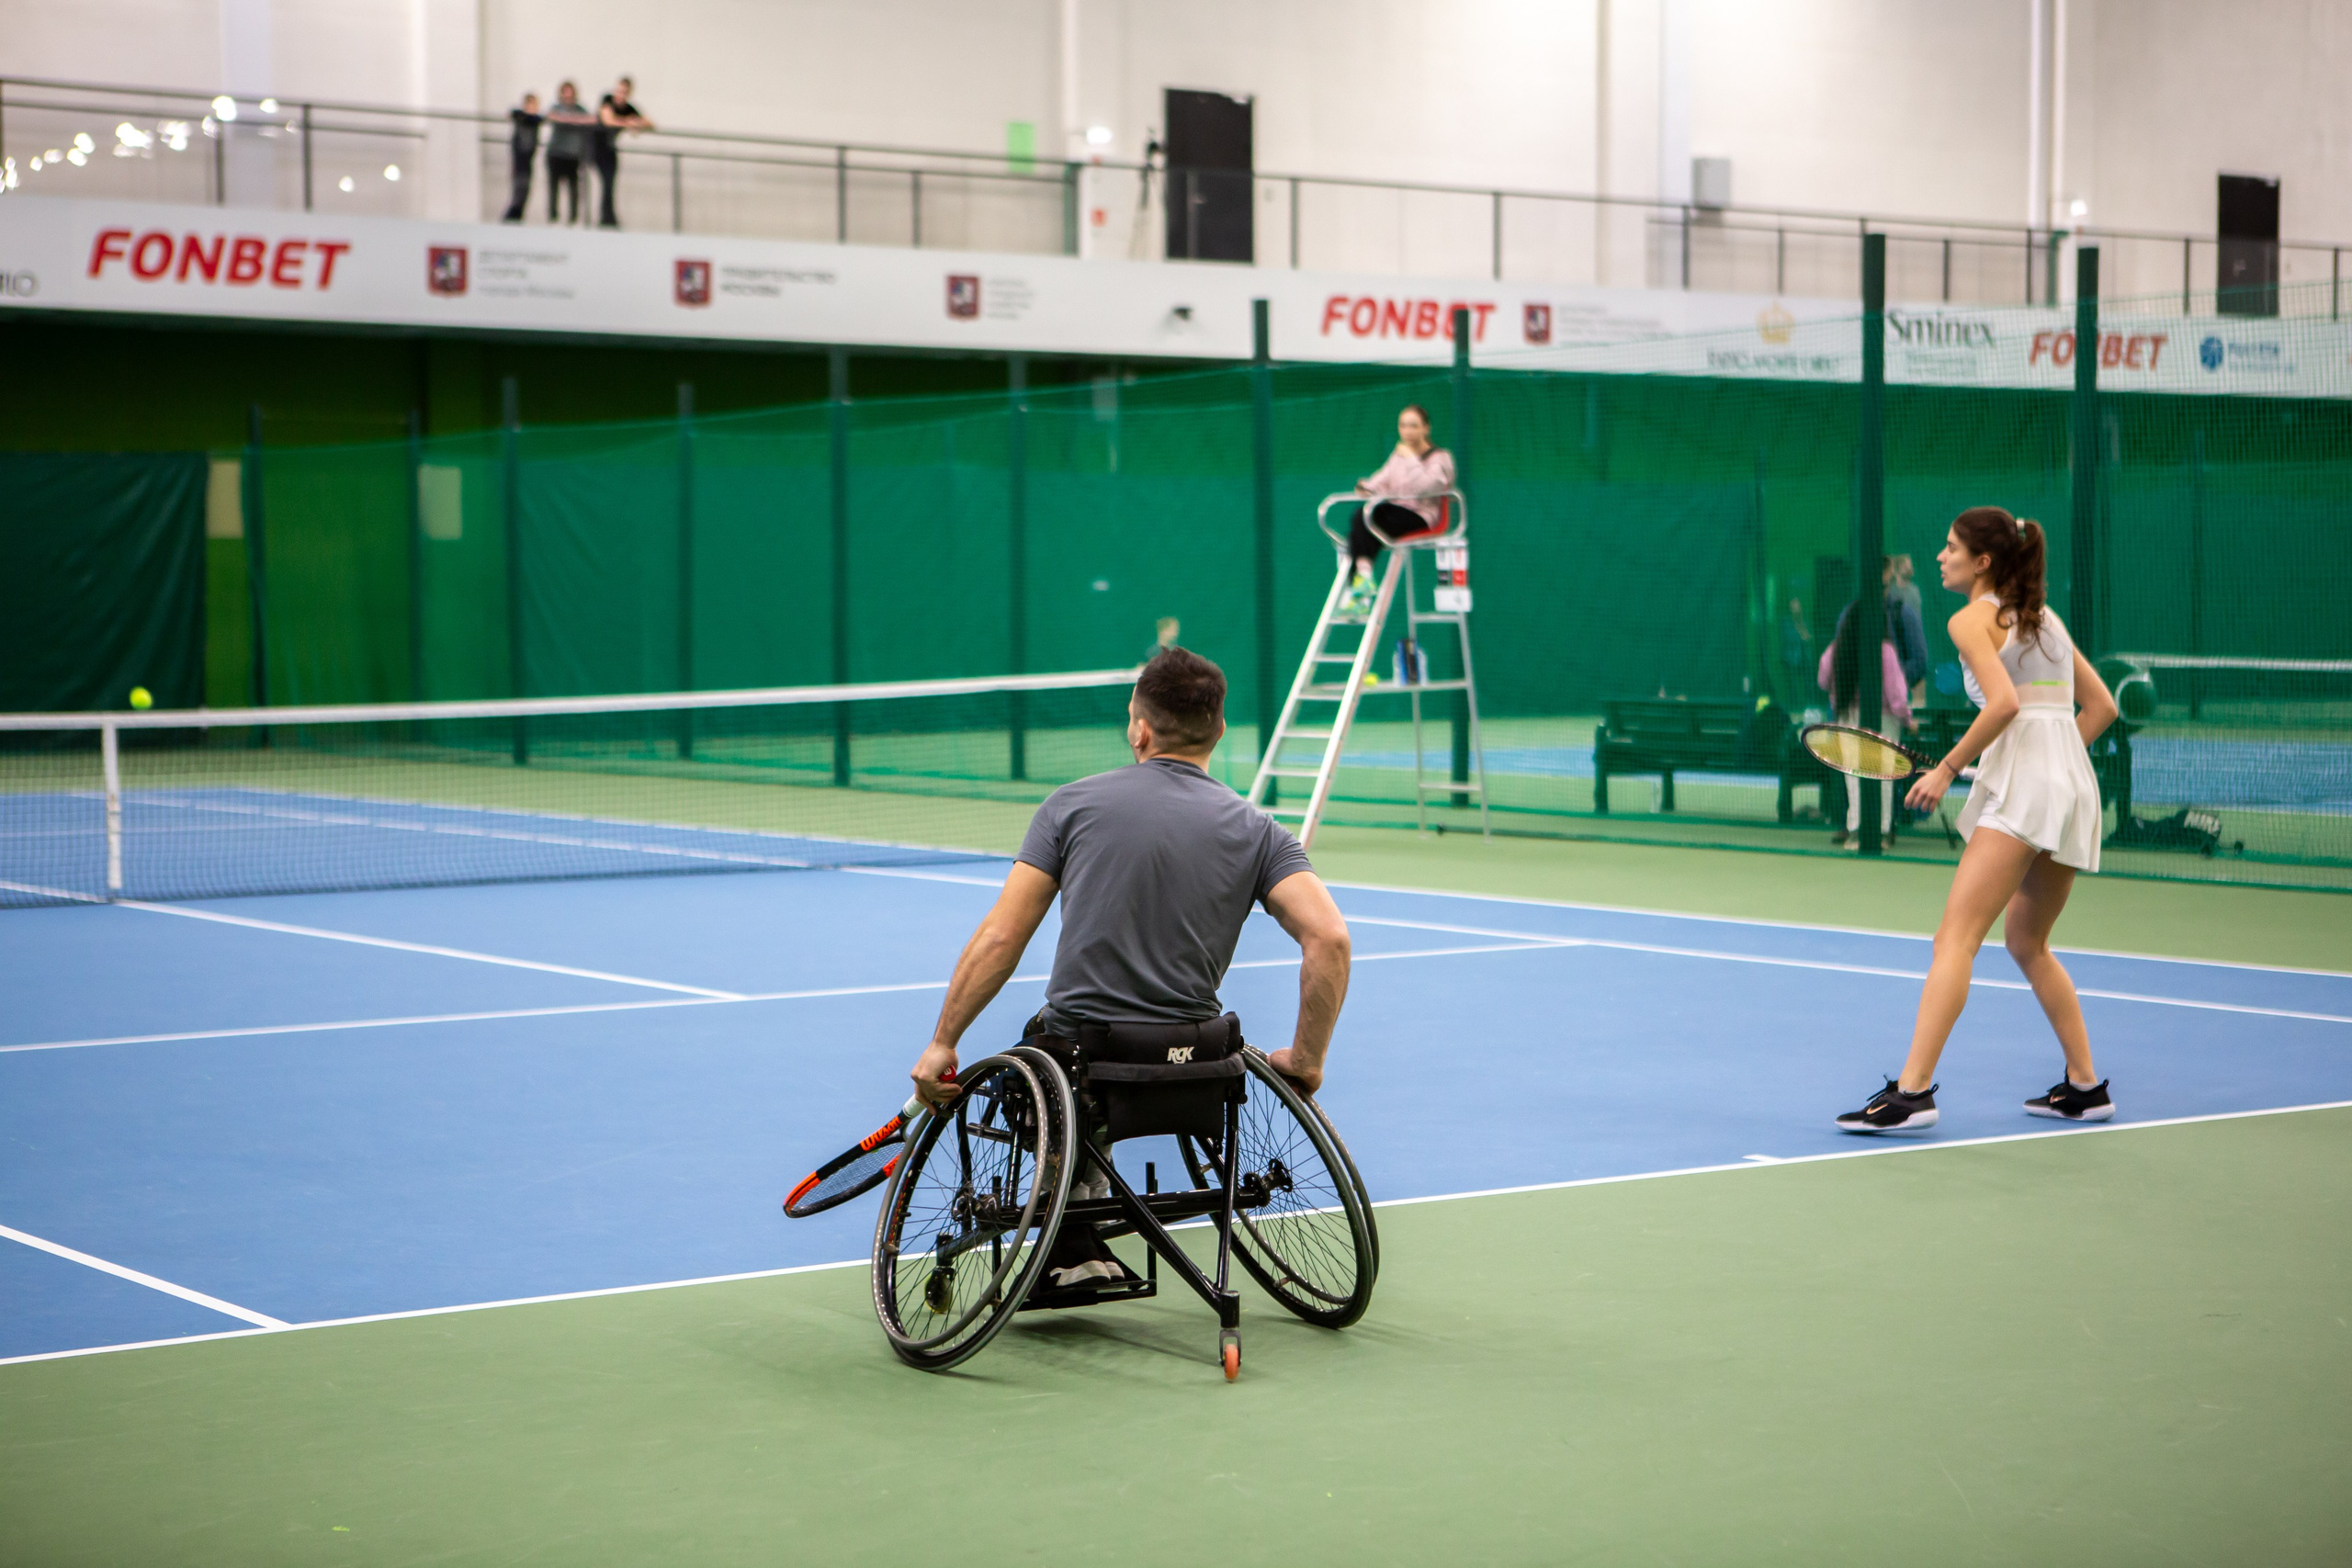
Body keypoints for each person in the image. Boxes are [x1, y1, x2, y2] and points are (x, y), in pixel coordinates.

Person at [909, 647, 1352, 1287]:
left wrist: (942, 1042)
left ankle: (1072, 1233)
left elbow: (1001, 936)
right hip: (1199, 1067)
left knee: (1040, 1053)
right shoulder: (1262, 831)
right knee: (1082, 1058)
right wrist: (1307, 1061)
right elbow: (1330, 939)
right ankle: (1084, 1211)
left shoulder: (1070, 806)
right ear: (1219, 730)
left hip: (1085, 1060)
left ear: (1139, 728)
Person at [1836, 507, 2120, 1134]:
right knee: (2027, 942)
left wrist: (1947, 769)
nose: (1939, 556)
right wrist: (2048, 762)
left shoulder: (1970, 619)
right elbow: (2100, 707)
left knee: (1954, 939)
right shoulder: (2045, 619)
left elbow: (2006, 703)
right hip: (2073, 786)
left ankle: (1912, 1094)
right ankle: (2084, 1085)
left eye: (1950, 545)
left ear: (1983, 561)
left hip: (2030, 789)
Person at [1817, 601, 1916, 847]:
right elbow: (1896, 696)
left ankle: (1856, 831)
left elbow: (1823, 679)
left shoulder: (1836, 648)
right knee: (1884, 775)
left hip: (1848, 717)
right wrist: (1908, 720)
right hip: (1885, 721)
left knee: (1853, 775)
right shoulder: (1886, 651)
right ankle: (1881, 832)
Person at [1340, 404, 1454, 615]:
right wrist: (1366, 487)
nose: (1408, 431)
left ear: (1425, 429)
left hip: (1421, 517)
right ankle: (1362, 582)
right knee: (1361, 518)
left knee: (1370, 520)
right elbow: (1382, 479)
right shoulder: (1398, 456)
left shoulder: (1440, 458)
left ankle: (1360, 589)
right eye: (1403, 426)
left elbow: (1424, 487)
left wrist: (1410, 458)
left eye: (1414, 426)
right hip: (1392, 513)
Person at [594, 76, 655, 229]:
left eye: (624, 92)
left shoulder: (628, 108)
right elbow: (607, 120)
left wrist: (637, 122)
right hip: (595, 147)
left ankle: (609, 217)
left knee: (610, 183)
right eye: (619, 91)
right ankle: (606, 217)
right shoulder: (607, 100)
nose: (620, 95)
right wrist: (629, 122)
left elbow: (650, 123)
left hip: (609, 149)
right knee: (606, 182)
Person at [543, 81, 595, 225]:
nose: (568, 95)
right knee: (553, 188)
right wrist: (574, 120)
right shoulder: (556, 107)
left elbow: (592, 119)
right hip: (556, 153)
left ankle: (573, 218)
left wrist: (568, 119)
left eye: (570, 92)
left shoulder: (580, 109)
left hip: (573, 156)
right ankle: (552, 217)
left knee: (574, 189)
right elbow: (551, 116)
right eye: (565, 92)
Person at [500, 93, 542, 223]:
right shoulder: (520, 116)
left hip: (528, 160)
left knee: (525, 190)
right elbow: (514, 113)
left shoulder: (534, 120)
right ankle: (511, 218)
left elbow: (537, 119)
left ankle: (518, 217)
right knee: (520, 188)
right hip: (520, 159)